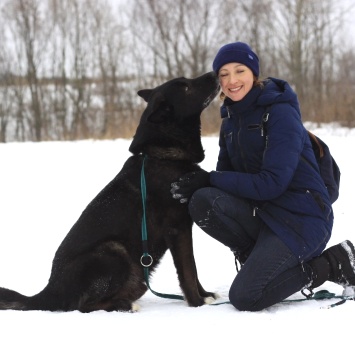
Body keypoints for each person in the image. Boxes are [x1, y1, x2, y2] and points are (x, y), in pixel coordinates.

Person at [170, 41, 355, 311]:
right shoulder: (230, 122)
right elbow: (222, 183)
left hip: (302, 221)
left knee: (246, 296)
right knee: (203, 200)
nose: (232, 80)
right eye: (223, 74)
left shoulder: (280, 113)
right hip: (266, 215)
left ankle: (334, 262)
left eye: (239, 71)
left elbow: (272, 183)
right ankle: (256, 256)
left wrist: (209, 178)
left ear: (254, 73)